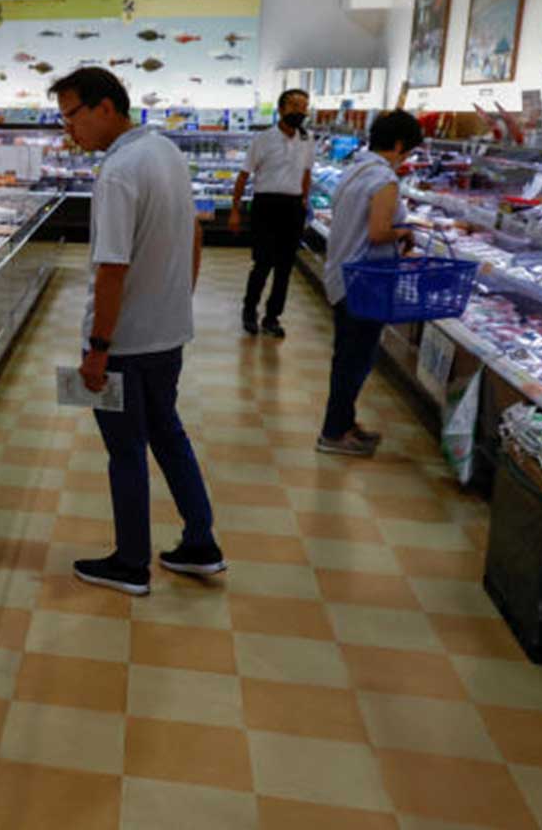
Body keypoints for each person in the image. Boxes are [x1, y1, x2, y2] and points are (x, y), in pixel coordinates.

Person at [52, 66, 222, 596]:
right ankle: (200, 544)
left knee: (125, 451)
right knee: (168, 434)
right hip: (167, 335)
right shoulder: (166, 152)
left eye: (71, 117)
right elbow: (194, 230)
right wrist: (178, 300)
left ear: (106, 108)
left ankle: (130, 563)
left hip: (124, 344)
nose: (69, 131)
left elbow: (112, 269)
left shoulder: (120, 171)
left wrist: (98, 349)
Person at [318, 110, 422, 457]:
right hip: (364, 280)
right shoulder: (383, 180)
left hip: (343, 273)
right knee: (354, 360)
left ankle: (344, 423)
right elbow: (379, 233)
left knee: (349, 356)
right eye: (407, 152)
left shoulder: (354, 170)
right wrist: (405, 232)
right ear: (397, 145)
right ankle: (334, 433)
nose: (406, 159)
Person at [231, 88, 313, 338]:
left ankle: (272, 317)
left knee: (286, 267)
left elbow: (307, 173)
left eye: (303, 106)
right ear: (281, 109)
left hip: (293, 206)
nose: (299, 111)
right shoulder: (263, 139)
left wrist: (304, 200)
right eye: (294, 105)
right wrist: (235, 209)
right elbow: (244, 175)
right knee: (263, 263)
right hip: (266, 206)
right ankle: (249, 311)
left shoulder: (307, 140)